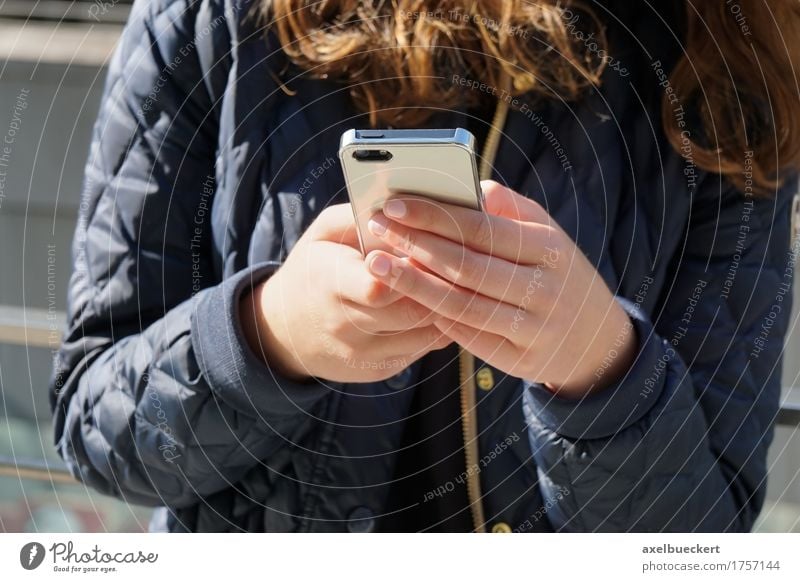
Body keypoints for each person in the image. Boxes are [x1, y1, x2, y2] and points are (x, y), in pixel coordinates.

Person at [50, 0, 800, 532]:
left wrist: (602, 372)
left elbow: (703, 543)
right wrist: (267, 334)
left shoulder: (732, 59)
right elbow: (93, 428)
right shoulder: (211, 17)